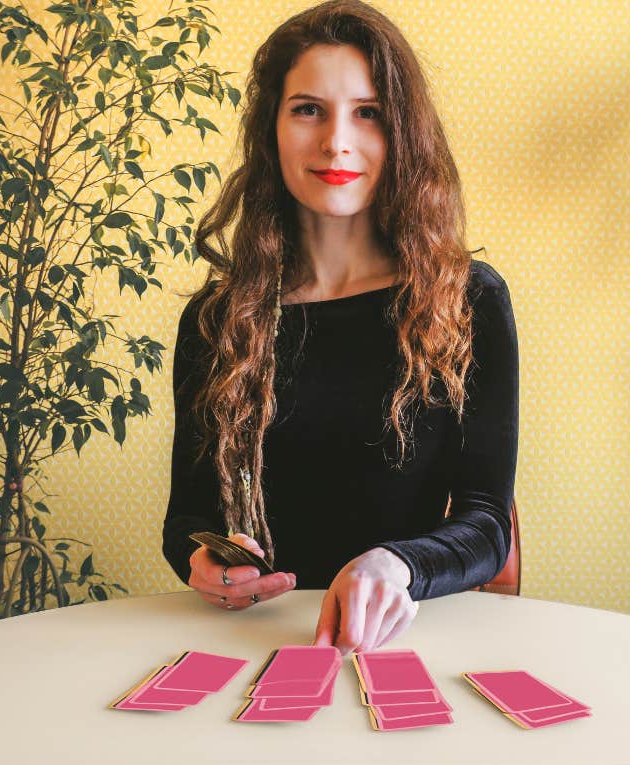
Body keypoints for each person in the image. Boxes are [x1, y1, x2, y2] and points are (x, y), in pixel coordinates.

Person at [161, 0, 518, 657]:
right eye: (308, 109)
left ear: (402, 131)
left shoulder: (470, 300)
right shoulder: (214, 320)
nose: (336, 142)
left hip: (408, 638)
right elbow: (188, 517)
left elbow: (487, 523)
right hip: (250, 644)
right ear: (271, 127)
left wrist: (396, 564)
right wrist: (203, 559)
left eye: (368, 112)